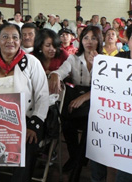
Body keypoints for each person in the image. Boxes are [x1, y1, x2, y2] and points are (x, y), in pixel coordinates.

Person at [0, 23, 49, 182]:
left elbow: (43, 96)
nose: (10, 41)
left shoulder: (32, 63)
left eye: (15, 37)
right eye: (5, 37)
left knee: (26, 146)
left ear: (20, 40)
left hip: (26, 121)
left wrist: (34, 125)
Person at [91, 20, 132, 182]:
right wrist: (97, 67)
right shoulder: (117, 60)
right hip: (112, 116)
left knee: (125, 161)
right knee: (98, 150)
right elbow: (102, 86)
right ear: (128, 41)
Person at [48, 26, 103, 181]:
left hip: (97, 102)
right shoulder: (73, 58)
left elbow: (108, 87)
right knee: (66, 121)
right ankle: (76, 157)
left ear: (99, 40)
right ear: (80, 40)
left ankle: (76, 169)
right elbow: (61, 71)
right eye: (85, 38)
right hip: (76, 100)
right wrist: (54, 75)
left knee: (89, 127)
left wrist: (85, 96)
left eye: (93, 38)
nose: (89, 42)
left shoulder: (105, 61)